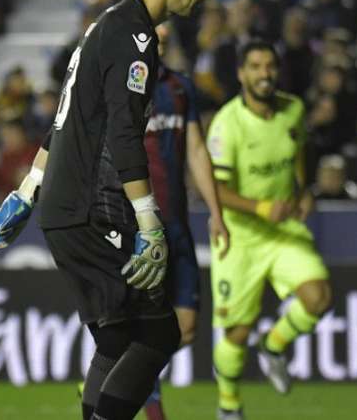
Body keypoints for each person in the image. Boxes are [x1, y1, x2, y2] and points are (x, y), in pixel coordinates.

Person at [0, 0, 218, 420]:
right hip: (94, 208)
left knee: (116, 337)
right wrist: (149, 222)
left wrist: (26, 192)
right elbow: (125, 135)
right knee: (159, 334)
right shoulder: (136, 38)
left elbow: (66, 119)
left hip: (65, 209)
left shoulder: (104, 26)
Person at [206, 40, 332, 420]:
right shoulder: (227, 125)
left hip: (282, 232)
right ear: (242, 74)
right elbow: (216, 189)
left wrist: (304, 191)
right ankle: (229, 407)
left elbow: (300, 154)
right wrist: (261, 207)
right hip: (240, 236)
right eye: (256, 67)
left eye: (269, 66)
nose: (264, 74)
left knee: (319, 298)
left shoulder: (292, 110)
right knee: (236, 335)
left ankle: (274, 347)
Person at [141, 24, 229, 420]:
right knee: (151, 325)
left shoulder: (179, 88)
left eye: (163, 41)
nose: (158, 46)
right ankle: (141, 396)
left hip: (177, 222)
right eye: (151, 40)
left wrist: (215, 211)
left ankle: (114, 374)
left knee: (187, 328)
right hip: (137, 228)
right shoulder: (119, 91)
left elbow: (196, 149)